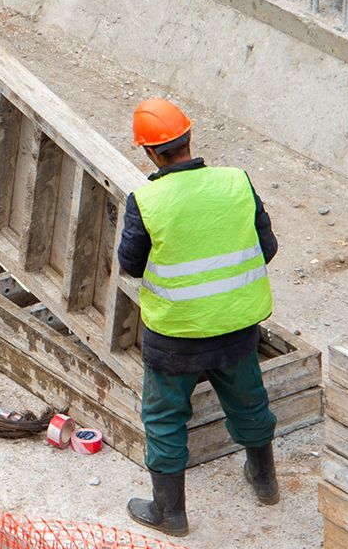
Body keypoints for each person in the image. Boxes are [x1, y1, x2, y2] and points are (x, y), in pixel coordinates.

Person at [116, 98, 279, 537]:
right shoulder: (236, 183)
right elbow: (268, 249)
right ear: (190, 138)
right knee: (249, 401)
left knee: (166, 418)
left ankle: (170, 514)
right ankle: (265, 482)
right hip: (236, 327)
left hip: (176, 335)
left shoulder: (147, 201)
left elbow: (130, 264)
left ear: (149, 152)